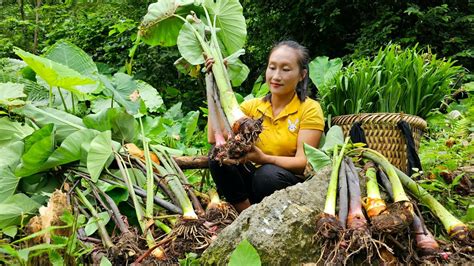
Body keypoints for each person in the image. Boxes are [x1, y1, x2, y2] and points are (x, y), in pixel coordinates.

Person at [207, 40, 325, 213]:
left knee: (267, 175)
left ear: (302, 75)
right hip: (252, 186)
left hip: (285, 186)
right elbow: (214, 137)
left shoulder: (309, 108)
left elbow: (303, 163)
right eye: (272, 67)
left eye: (285, 69)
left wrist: (263, 159)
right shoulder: (252, 107)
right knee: (217, 156)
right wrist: (214, 83)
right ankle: (245, 216)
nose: (276, 76)